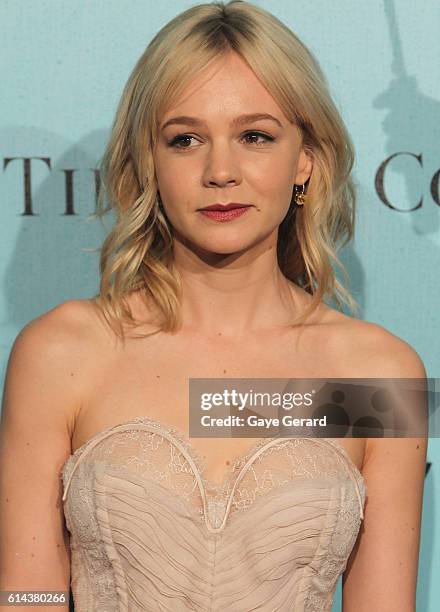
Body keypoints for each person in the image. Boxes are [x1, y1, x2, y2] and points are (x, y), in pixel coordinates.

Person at [0, 1, 428, 610]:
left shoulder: (375, 374)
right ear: (149, 162)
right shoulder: (64, 352)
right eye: (186, 139)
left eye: (255, 136)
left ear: (305, 159)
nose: (219, 170)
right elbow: (26, 598)